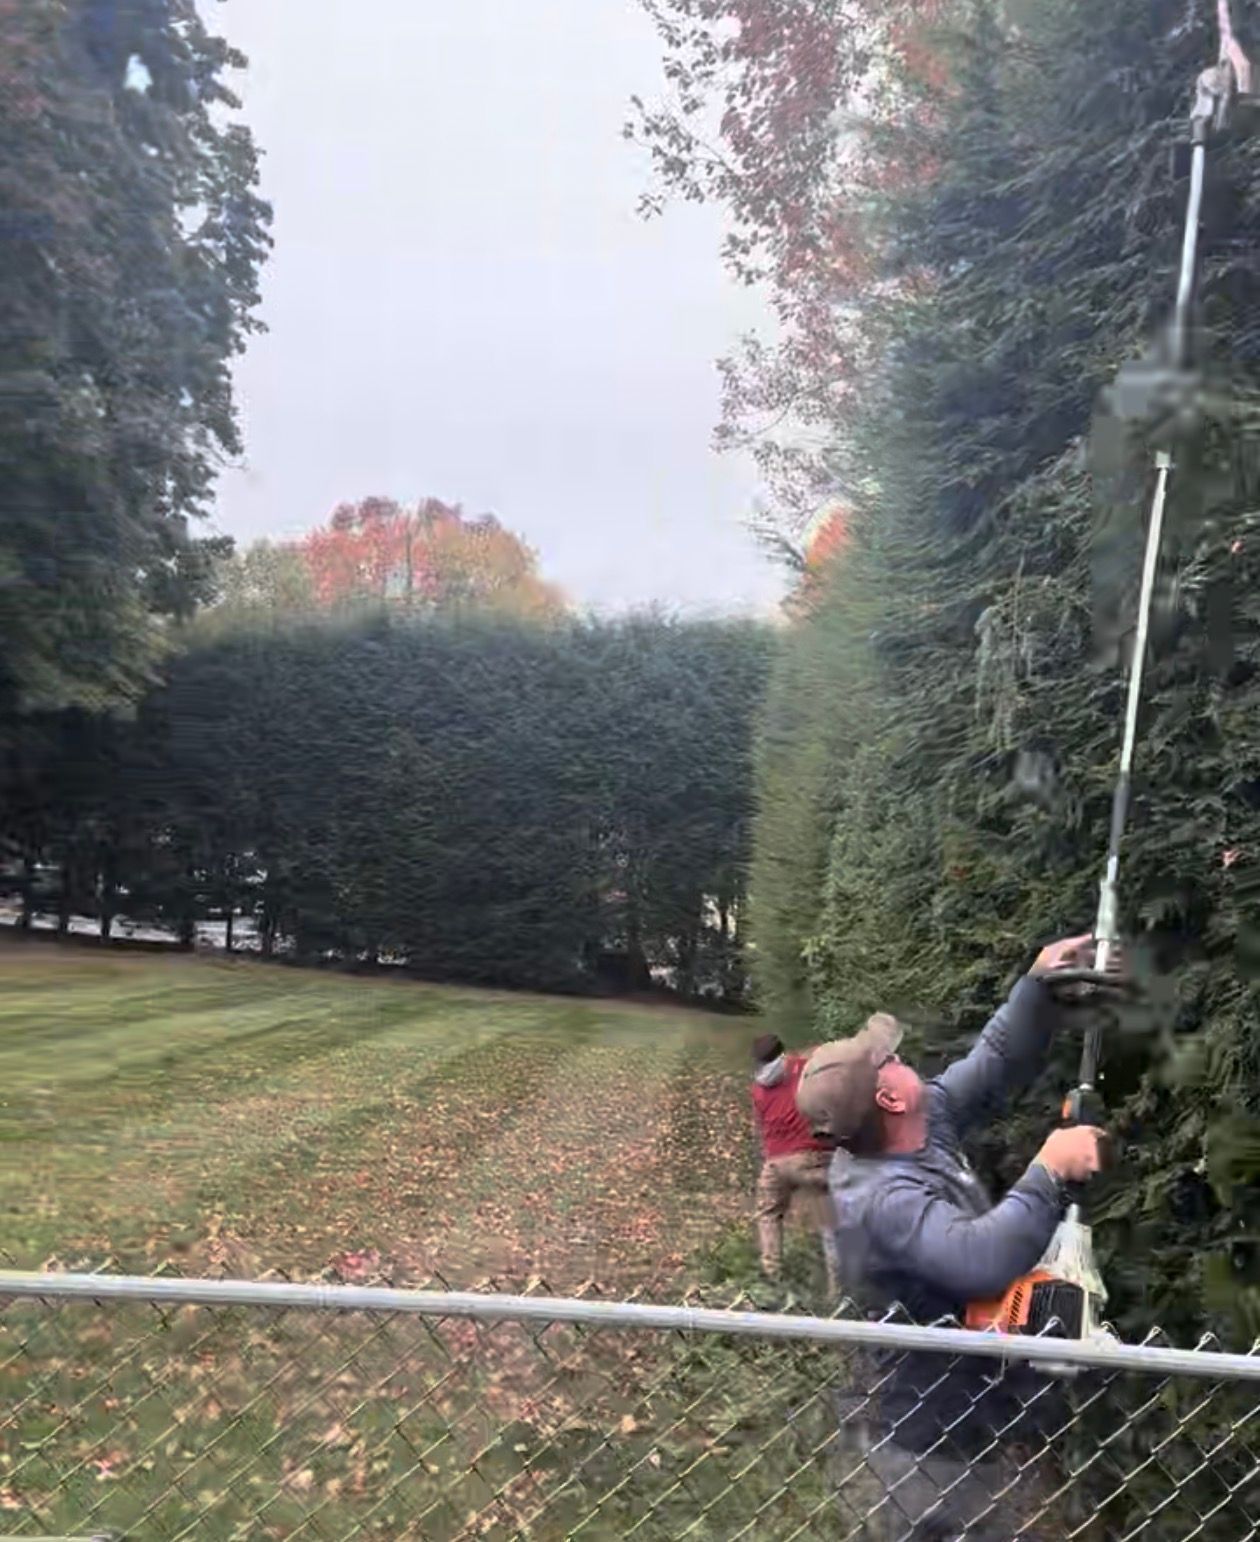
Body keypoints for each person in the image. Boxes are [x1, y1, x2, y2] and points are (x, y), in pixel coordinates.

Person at [795, 933, 1108, 1540]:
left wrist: (1035, 986)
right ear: (889, 1096)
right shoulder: (880, 1197)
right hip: (926, 1424)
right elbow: (978, 1259)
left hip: (969, 1390)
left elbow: (992, 1062)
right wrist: (1048, 1170)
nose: (901, 1058)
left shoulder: (916, 1122)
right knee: (940, 1525)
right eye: (889, 1060)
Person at [750, 1032, 841, 1295]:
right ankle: (837, 1289)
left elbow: (759, 1126)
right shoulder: (803, 1070)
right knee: (829, 1223)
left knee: (768, 1215)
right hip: (813, 1159)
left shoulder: (757, 1089)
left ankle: (772, 1278)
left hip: (776, 1163)